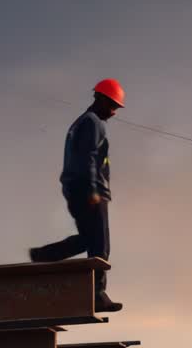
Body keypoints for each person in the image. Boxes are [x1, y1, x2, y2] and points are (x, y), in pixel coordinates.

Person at [29, 78, 126, 312]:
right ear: (101, 99)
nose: (114, 112)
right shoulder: (93, 123)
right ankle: (97, 294)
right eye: (112, 106)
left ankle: (43, 255)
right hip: (88, 190)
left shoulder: (82, 123)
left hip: (76, 188)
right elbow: (88, 157)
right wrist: (93, 189)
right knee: (100, 244)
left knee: (88, 240)